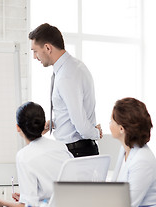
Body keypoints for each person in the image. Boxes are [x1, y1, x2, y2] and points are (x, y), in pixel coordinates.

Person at [29, 23, 102, 157]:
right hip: (77, 150)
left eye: (35, 51)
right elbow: (72, 112)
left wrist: (96, 133)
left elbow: (80, 123)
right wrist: (53, 123)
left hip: (76, 152)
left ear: (47, 48)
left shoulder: (66, 76)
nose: (34, 57)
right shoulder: (73, 67)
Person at [0, 102, 73, 207]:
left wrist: (1, 202)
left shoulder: (24, 156)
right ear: (43, 123)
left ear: (18, 128)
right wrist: (26, 196)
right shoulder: (60, 146)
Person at [110, 97, 156, 207]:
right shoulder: (125, 150)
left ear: (121, 129)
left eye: (111, 121)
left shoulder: (142, 160)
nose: (109, 124)